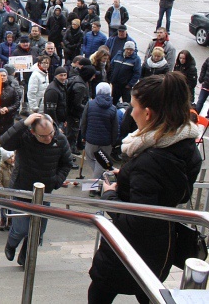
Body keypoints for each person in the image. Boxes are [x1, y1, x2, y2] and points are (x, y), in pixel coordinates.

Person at [88, 73, 202, 303]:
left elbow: (138, 218)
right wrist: (131, 177)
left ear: (148, 113)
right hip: (163, 246)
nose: (131, 113)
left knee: (99, 293)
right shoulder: (185, 145)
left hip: (129, 249)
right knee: (148, 292)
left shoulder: (151, 159)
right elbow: (170, 186)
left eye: (133, 107)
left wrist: (111, 194)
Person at [1, 113, 72, 266]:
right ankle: (11, 244)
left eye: (51, 133)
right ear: (33, 132)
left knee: (38, 230)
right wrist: (23, 124)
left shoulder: (60, 139)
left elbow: (67, 163)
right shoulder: (24, 137)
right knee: (21, 228)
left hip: (45, 192)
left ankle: (26, 255)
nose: (48, 139)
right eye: (43, 136)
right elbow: (4, 142)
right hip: (22, 189)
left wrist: (56, 181)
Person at [80, 82, 118, 181]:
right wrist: (113, 142)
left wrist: (83, 135)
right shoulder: (113, 109)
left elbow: (83, 121)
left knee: (91, 158)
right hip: (106, 142)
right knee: (102, 163)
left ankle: (94, 185)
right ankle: (99, 180)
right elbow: (115, 128)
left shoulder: (90, 104)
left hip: (91, 139)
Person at [66, 64, 96, 155]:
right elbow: (77, 104)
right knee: (72, 132)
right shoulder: (81, 86)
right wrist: (88, 108)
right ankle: (70, 151)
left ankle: (76, 145)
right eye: (93, 75)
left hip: (72, 112)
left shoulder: (78, 80)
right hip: (74, 114)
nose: (94, 77)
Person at [0, 67, 20, 136]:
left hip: (8, 117)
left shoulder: (12, 88)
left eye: (4, 76)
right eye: (0, 76)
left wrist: (8, 109)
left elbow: (17, 102)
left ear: (7, 76)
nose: (2, 77)